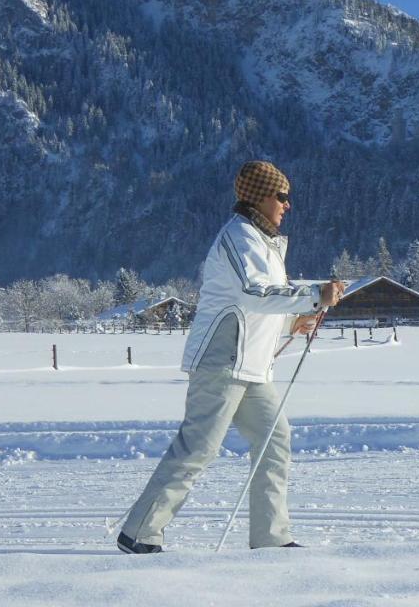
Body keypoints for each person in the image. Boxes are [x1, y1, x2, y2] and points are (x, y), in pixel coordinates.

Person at [118, 160, 344, 553]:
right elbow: (252, 295)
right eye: (282, 196)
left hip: (254, 368)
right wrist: (314, 295)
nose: (288, 204)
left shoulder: (265, 243)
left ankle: (271, 539)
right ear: (260, 197)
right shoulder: (239, 237)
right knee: (198, 449)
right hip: (221, 364)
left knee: (275, 440)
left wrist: (293, 323)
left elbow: (257, 310)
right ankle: (138, 533)